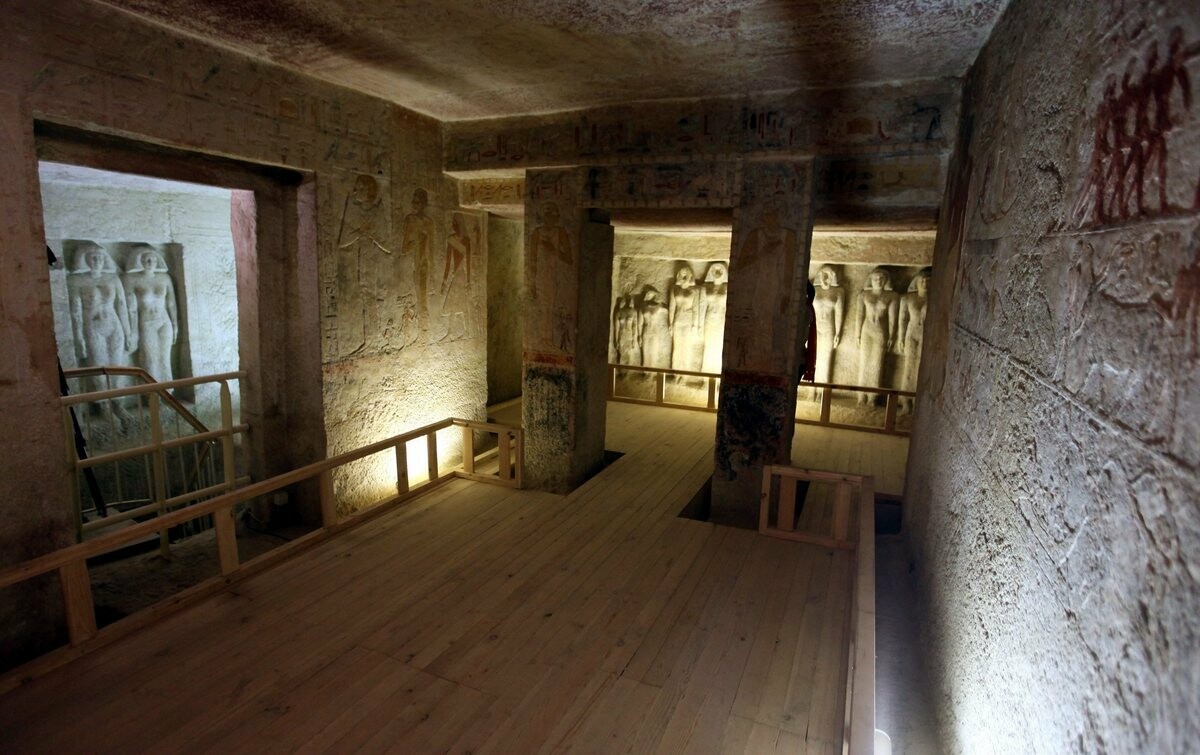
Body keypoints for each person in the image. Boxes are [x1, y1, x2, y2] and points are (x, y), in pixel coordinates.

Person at [68, 242, 133, 386]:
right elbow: (76, 311)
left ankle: (118, 397)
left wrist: (128, 332)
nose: (98, 261)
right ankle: (102, 399)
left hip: (114, 324)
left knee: (117, 366)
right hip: (93, 325)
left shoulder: (113, 279)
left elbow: (122, 306)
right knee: (98, 367)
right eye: (94, 258)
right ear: (86, 259)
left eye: (101, 258)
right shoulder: (76, 281)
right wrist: (79, 338)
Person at [122, 245, 178, 382]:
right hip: (147, 322)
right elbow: (130, 308)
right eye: (147, 259)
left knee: (165, 358)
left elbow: (171, 303)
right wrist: (132, 332)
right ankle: (152, 391)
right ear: (140, 261)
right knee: (150, 359)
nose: (150, 262)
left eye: (153, 260)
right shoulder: (132, 279)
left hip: (164, 321)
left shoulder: (164, 278)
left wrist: (175, 324)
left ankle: (168, 390)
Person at [856, 266, 899, 404]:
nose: (878, 280)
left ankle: (872, 396)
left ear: (886, 281)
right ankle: (861, 394)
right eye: (875, 278)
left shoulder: (892, 296)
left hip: (880, 332)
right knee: (864, 361)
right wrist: (857, 335)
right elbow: (859, 316)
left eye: (881, 278)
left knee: (877, 363)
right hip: (866, 330)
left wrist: (892, 336)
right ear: (871, 280)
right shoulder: (864, 295)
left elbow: (892, 319)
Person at [896, 268, 930, 413]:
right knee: (909, 366)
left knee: (921, 368)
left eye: (927, 281)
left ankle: (917, 401)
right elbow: (902, 320)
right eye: (921, 281)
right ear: (916, 283)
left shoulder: (934, 299)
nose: (924, 283)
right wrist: (900, 338)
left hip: (926, 335)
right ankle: (905, 401)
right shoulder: (908, 299)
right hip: (911, 334)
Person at [401, 188, 436, 326]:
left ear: (424, 204)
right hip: (412, 264)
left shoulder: (429, 222)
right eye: (413, 202)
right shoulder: (409, 220)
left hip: (423, 263)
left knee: (423, 299)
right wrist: (417, 241)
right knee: (414, 298)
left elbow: (431, 249)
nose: (414, 205)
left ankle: (424, 327)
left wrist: (433, 270)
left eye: (418, 202)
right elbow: (404, 249)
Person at [668, 264, 703, 370]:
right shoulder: (674, 289)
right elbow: (672, 308)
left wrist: (695, 325)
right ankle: (676, 371)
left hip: (689, 321)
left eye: (686, 273)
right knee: (677, 346)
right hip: (677, 320)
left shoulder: (695, 290)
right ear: (678, 275)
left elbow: (696, 309)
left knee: (687, 346)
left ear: (690, 275)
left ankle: (685, 372)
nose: (684, 275)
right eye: (682, 273)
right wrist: (670, 323)